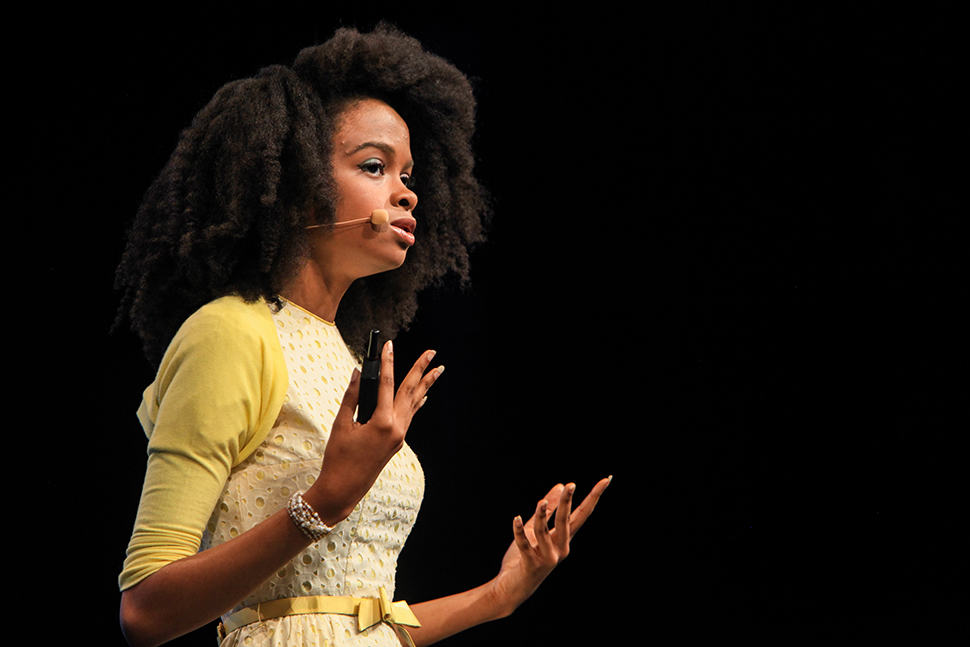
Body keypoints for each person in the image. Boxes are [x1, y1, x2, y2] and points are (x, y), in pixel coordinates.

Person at [114, 24, 610, 647]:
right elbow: (145, 612)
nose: (407, 192)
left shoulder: (348, 353)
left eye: (409, 174)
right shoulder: (231, 333)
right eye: (375, 166)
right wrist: (324, 501)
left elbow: (354, 621)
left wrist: (500, 595)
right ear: (298, 185)